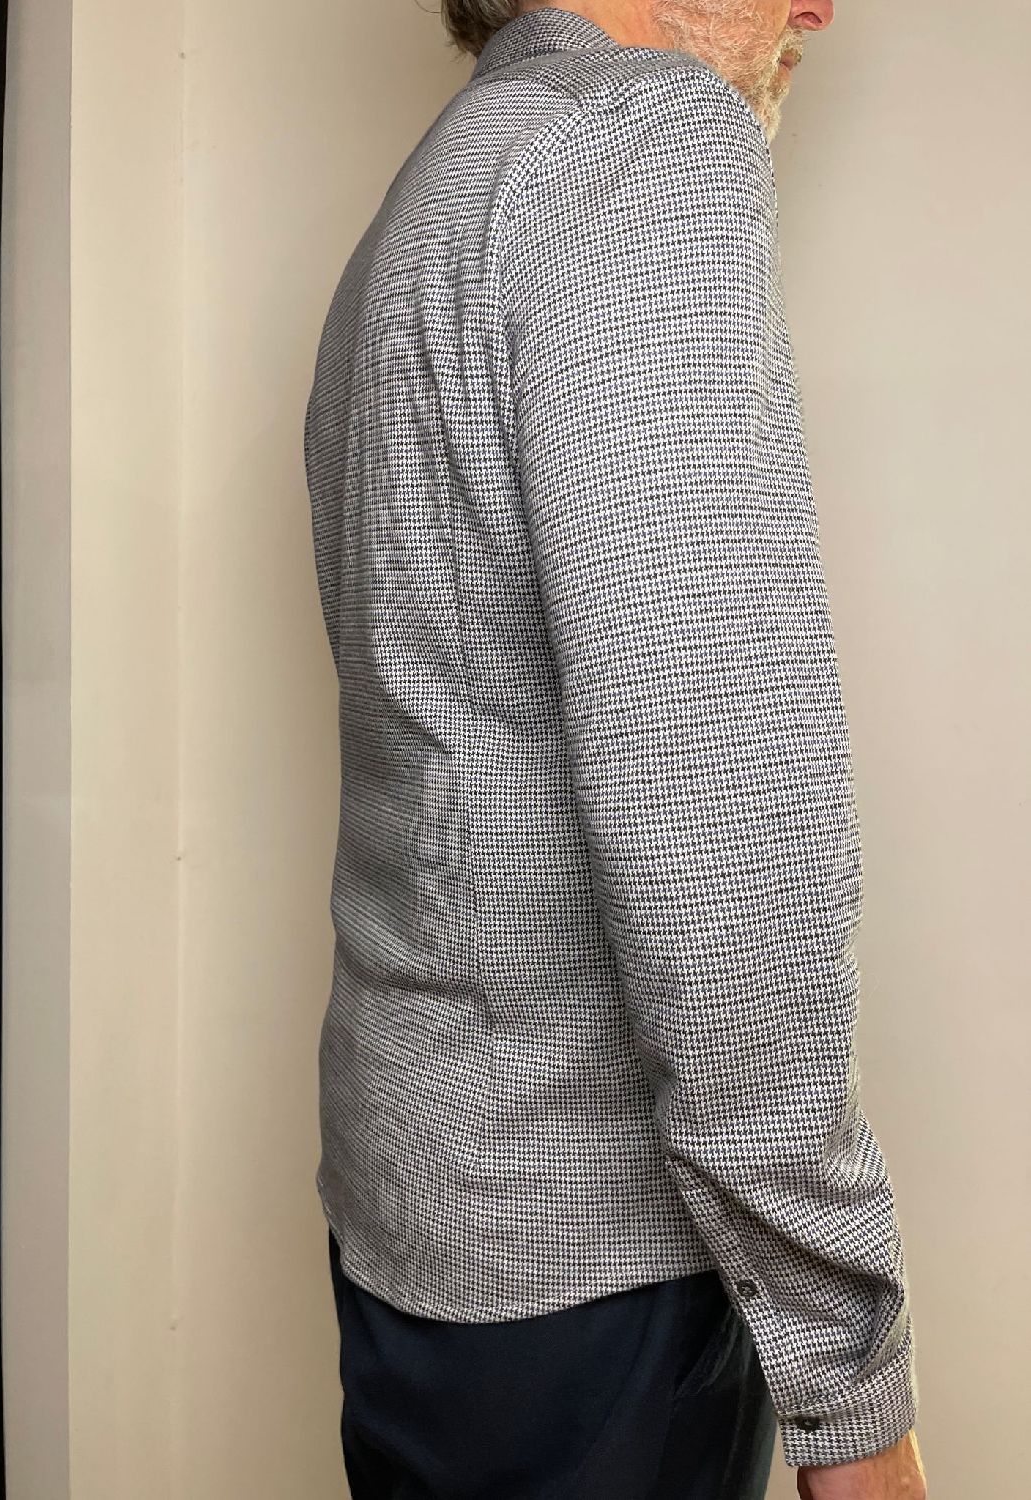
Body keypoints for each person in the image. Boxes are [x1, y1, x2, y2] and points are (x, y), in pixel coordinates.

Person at [302, 4, 928, 1497]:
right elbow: (715, 804)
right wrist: (851, 1391)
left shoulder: (442, 180)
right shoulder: (632, 139)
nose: (819, 5)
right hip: (594, 1276)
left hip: (422, 1214)